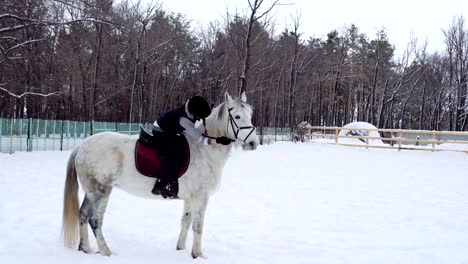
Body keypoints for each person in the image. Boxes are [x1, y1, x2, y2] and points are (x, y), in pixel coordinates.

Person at [151, 95, 232, 198]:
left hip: (171, 128)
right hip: (161, 131)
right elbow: (200, 139)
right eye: (200, 117)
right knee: (178, 153)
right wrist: (218, 140)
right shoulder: (184, 120)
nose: (200, 119)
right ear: (195, 113)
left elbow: (198, 128)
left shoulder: (191, 109)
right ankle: (161, 183)